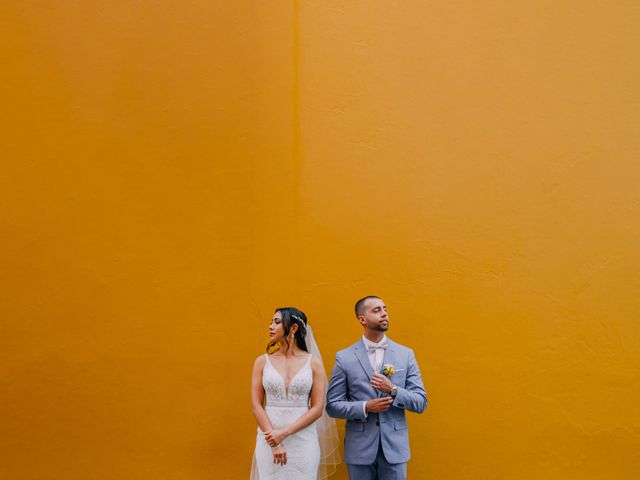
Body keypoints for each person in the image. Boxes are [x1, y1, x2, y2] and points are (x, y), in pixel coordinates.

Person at [326, 296, 427, 479]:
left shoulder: (405, 354)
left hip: (394, 450)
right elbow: (332, 405)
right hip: (359, 450)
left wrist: (393, 390)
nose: (384, 314)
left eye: (385, 309)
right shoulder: (344, 358)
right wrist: (365, 407)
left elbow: (421, 402)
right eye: (376, 310)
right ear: (362, 319)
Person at [250, 307, 339, 479]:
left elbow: (317, 408)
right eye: (271, 322)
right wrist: (274, 442)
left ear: (293, 328)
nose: (270, 326)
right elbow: (256, 405)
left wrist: (284, 433)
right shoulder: (261, 362)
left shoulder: (313, 363)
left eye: (276, 322)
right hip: (268, 439)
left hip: (303, 440)